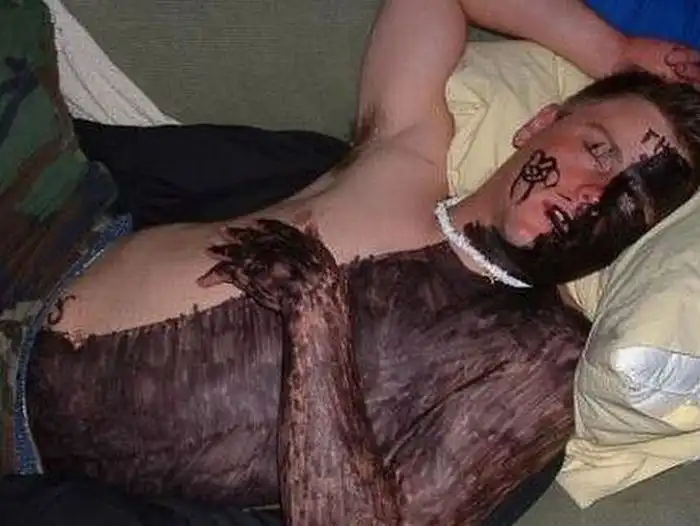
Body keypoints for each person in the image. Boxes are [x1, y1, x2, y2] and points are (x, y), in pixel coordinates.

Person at [20, 0, 700, 524]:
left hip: (32, 458)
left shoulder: (539, 362)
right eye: (599, 150)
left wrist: (316, 317)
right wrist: (610, 48)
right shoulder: (408, 153)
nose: (594, 194)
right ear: (537, 125)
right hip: (43, 250)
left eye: (632, 201)